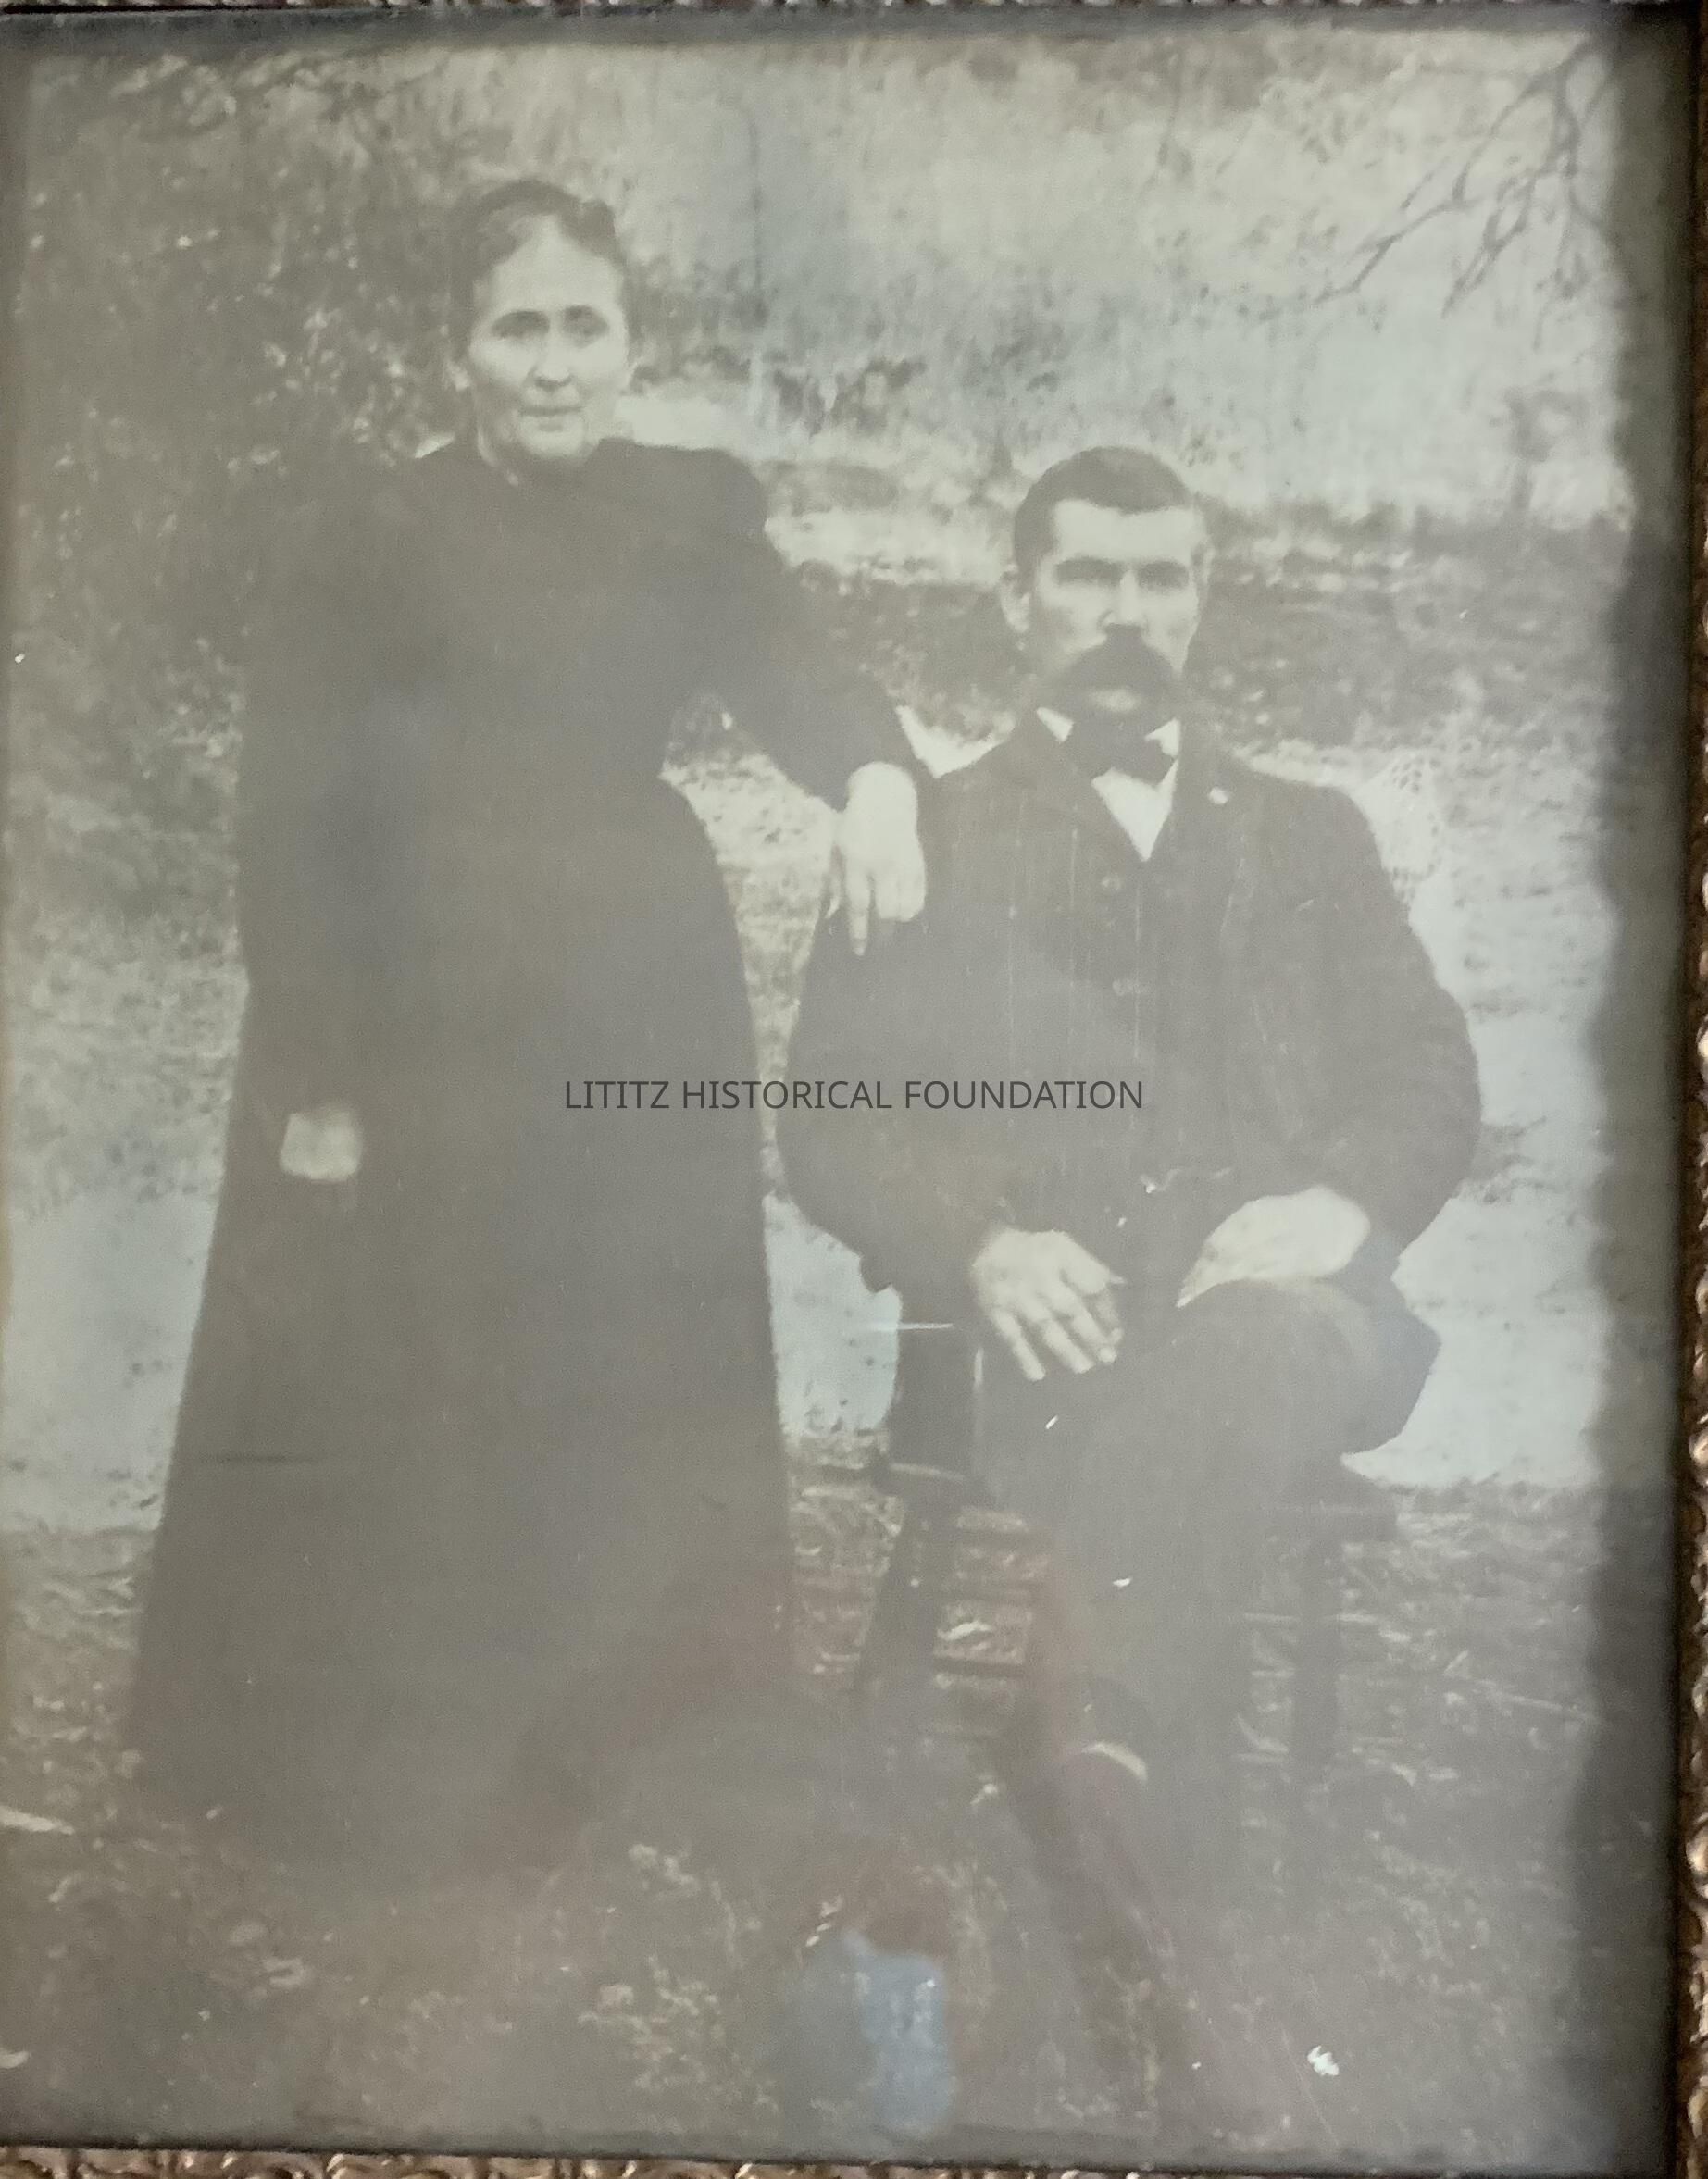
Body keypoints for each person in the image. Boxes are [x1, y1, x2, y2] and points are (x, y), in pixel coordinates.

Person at [129, 180, 926, 1872]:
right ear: (457, 352)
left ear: (628, 346)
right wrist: (321, 1076)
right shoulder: (364, 532)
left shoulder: (691, 507)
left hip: (635, 989)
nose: (554, 364)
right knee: (409, 1347)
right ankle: (402, 1760)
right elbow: (290, 813)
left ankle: (629, 1733)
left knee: (623, 1342)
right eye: (517, 329)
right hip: (408, 1001)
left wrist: (871, 773)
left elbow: (797, 671)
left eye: (584, 327)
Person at [779, 445, 1480, 2122]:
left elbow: (1427, 1072)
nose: (1124, 612)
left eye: (1159, 578)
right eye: (1086, 576)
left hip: (1301, 1321)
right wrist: (981, 1239)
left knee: (1254, 1343)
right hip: (1051, 1332)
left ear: (1201, 598)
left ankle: (1079, 1746)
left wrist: (1335, 1201)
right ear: (1017, 595)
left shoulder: (1308, 831)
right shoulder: (937, 831)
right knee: (1185, 1407)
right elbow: (830, 1114)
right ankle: (1113, 1798)